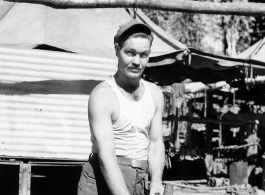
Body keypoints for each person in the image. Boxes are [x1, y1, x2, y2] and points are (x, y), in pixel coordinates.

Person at [78, 19, 165, 195]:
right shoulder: (103, 95)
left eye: (143, 54)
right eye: (130, 52)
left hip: (139, 179)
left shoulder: (154, 93)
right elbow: (107, 156)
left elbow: (155, 142)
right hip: (101, 180)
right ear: (117, 50)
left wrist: (156, 181)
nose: (137, 61)